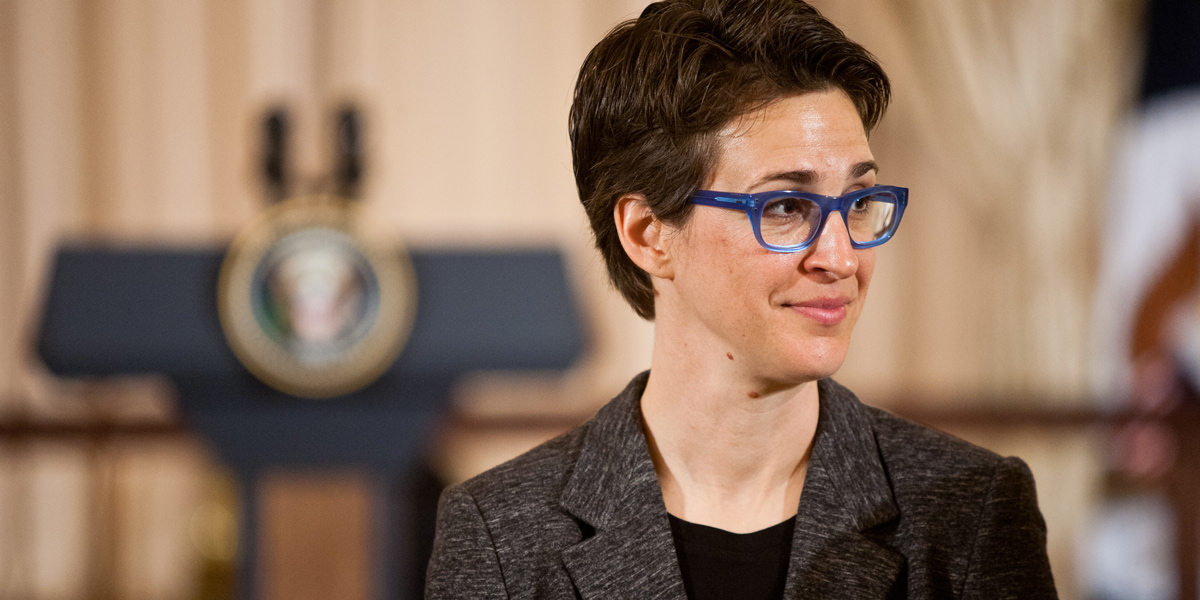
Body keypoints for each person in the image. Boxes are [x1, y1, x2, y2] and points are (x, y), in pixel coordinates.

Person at [426, 1, 1058, 598]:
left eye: (858, 202)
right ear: (646, 234)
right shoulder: (499, 536)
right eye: (785, 206)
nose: (842, 258)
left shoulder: (971, 511)